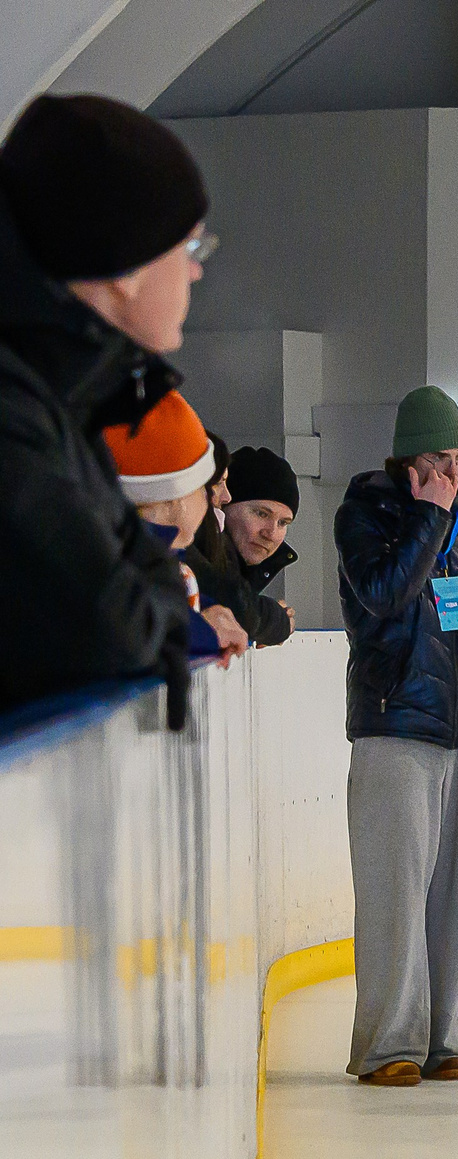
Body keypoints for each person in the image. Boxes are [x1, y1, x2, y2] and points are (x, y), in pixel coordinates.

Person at [0, 94, 218, 716]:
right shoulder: (16, 411)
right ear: (126, 268)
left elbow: (154, 583)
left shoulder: (65, 404)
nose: (197, 274)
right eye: (191, 249)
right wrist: (159, 609)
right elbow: (108, 623)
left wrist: (159, 605)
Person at [338, 384, 458, 1087]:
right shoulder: (367, 514)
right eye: (437, 461)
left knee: (455, 889)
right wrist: (425, 518)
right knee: (396, 887)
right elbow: (384, 594)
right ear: (407, 463)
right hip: (395, 724)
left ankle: (442, 1032)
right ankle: (389, 1043)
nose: (451, 475)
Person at [101, 389, 249, 663]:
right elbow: (116, 626)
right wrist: (201, 631)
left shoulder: (138, 560)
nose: (214, 501)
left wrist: (202, 609)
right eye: (204, 490)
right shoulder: (108, 567)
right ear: (176, 498)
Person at [192, 444, 296, 646]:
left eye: (283, 523)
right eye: (261, 513)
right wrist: (275, 623)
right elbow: (234, 606)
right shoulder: (195, 547)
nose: (271, 534)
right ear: (226, 506)